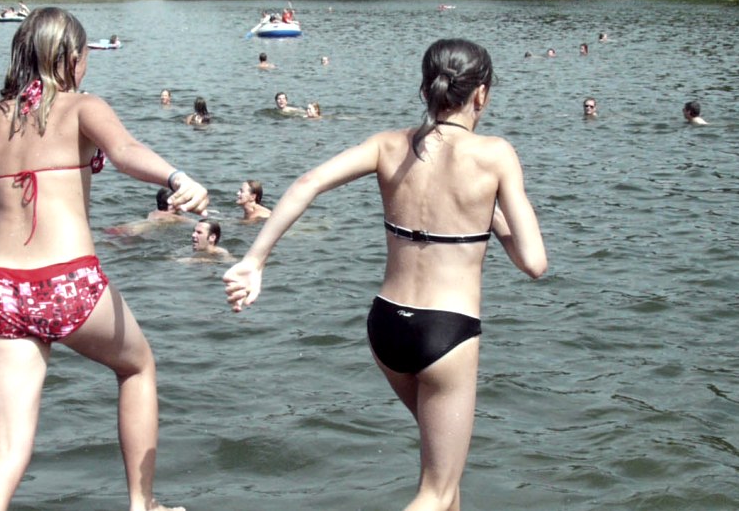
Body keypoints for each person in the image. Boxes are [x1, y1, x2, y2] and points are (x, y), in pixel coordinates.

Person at [223, 38, 546, 511]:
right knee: (435, 492)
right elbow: (534, 262)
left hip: (386, 326)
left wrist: (254, 261)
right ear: (482, 94)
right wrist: (491, 212)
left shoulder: (386, 145)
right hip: (446, 334)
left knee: (444, 481)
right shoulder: (495, 155)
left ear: (425, 88)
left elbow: (307, 183)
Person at [0, 7, 203, 511]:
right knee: (137, 368)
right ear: (71, 57)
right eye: (85, 54)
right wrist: (176, 179)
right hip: (66, 281)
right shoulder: (81, 106)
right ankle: (143, 504)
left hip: (1, 287)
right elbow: (125, 150)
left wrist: (23, 191)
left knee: (5, 450)